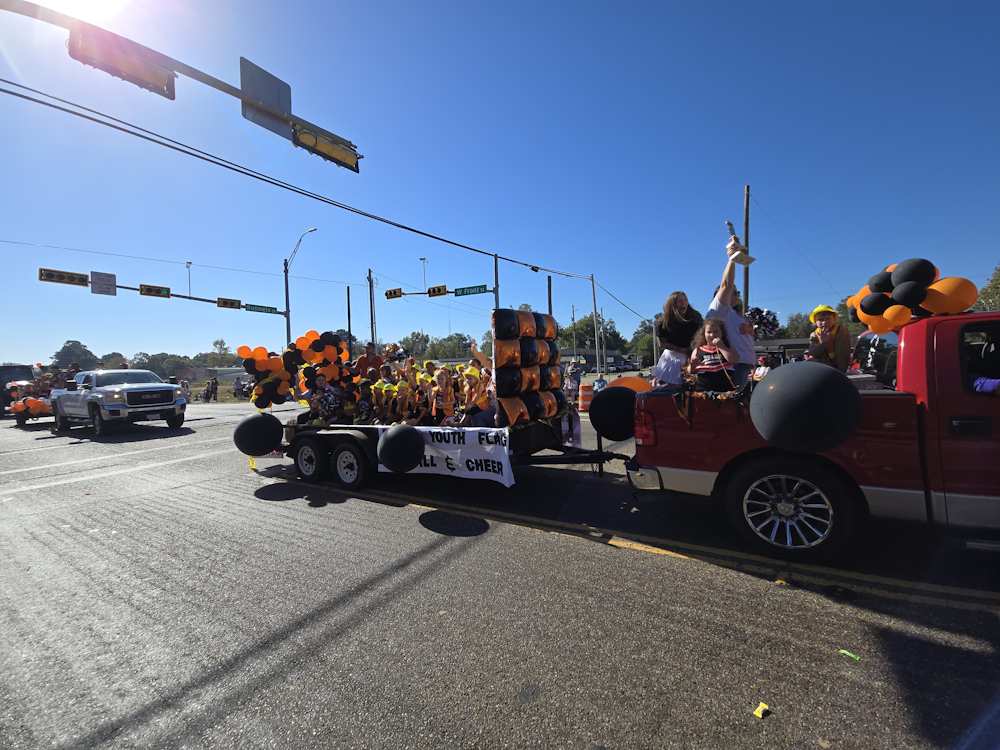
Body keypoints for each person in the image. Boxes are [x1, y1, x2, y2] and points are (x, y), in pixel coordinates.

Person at [705, 243, 756, 385]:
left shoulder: (736, 313)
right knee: (738, 404)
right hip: (736, 364)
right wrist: (732, 258)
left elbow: (748, 335)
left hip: (748, 363)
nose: (736, 295)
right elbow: (726, 284)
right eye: (735, 293)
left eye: (737, 293)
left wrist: (751, 330)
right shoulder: (719, 308)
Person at [653, 291, 703, 387]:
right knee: (669, 389)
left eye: (685, 300)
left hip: (692, 357)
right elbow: (662, 343)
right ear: (673, 304)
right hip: (671, 359)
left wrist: (694, 351)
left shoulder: (695, 317)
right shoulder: (663, 322)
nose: (684, 303)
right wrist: (682, 350)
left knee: (692, 389)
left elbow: (702, 335)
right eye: (680, 301)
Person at [689, 319, 738, 392]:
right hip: (703, 390)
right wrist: (692, 365)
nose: (712, 335)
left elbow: (734, 360)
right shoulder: (698, 350)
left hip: (724, 389)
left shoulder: (728, 348)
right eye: (709, 332)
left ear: (722, 333)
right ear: (704, 334)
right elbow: (690, 370)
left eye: (716, 332)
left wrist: (721, 346)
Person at [807, 305, 851, 371]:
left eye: (828, 318)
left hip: (837, 368)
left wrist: (828, 344)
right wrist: (822, 344)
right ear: (815, 322)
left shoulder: (841, 331)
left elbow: (842, 357)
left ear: (834, 319)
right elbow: (813, 354)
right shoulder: (814, 335)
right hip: (820, 367)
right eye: (820, 320)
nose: (824, 322)